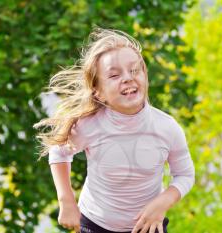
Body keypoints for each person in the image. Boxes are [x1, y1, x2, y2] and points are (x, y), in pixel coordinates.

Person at [33, 28, 195, 233]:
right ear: (98, 92)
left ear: (145, 75)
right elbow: (59, 152)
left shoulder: (167, 128)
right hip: (95, 225)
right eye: (114, 75)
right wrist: (67, 201)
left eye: (135, 70)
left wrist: (162, 203)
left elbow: (185, 175)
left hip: (147, 227)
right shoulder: (89, 125)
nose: (127, 78)